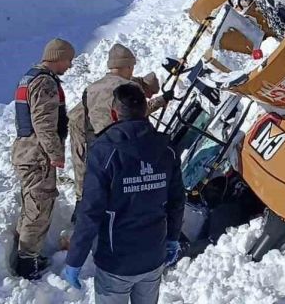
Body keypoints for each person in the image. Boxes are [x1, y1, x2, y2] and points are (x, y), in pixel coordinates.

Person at [63, 84, 185, 303]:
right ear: (144, 111)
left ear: (114, 113)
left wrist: (75, 259)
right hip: (153, 253)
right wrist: (173, 238)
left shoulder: (104, 151)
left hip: (115, 259)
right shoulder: (166, 149)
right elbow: (176, 200)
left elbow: (91, 210)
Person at [68, 45, 172, 204]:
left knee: (92, 181)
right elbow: (136, 114)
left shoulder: (92, 88)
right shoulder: (128, 88)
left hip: (93, 142)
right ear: (128, 66)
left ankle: (82, 206)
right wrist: (160, 102)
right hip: (119, 145)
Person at [11, 38, 75, 279]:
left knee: (31, 206)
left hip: (27, 152)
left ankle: (28, 253)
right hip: (38, 155)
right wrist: (56, 154)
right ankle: (27, 263)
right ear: (58, 57)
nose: (69, 65)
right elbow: (44, 124)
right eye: (68, 60)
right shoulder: (45, 83)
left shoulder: (29, 77)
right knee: (38, 207)